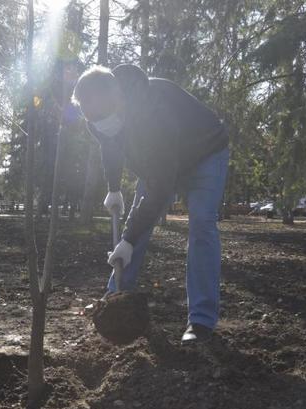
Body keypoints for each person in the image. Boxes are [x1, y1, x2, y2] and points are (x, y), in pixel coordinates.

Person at [72, 64, 229, 344]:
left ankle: (201, 321)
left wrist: (128, 239)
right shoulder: (96, 115)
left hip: (204, 152)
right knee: (136, 222)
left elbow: (161, 187)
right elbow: (109, 145)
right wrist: (114, 188)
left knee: (202, 222)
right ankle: (114, 300)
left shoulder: (155, 112)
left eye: (102, 116)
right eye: (91, 117)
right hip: (159, 163)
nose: (97, 122)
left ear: (118, 97)